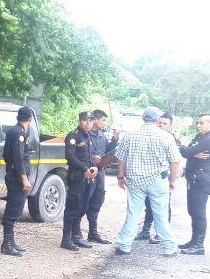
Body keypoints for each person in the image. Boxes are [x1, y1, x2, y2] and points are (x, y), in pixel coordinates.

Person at [113, 106, 182, 256]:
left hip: (135, 181)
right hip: (158, 181)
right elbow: (175, 162)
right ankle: (169, 248)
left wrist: (120, 176)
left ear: (143, 118)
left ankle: (124, 246)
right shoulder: (165, 136)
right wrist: (173, 180)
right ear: (158, 120)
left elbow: (121, 159)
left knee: (133, 214)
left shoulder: (130, 135)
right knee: (160, 216)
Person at [178, 113, 210, 255]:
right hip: (193, 180)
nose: (198, 125)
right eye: (197, 123)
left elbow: (186, 151)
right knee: (193, 211)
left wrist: (189, 152)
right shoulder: (200, 137)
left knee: (199, 213)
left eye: (202, 123)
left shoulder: (209, 140)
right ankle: (194, 241)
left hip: (201, 181)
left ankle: (199, 245)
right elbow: (186, 151)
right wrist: (190, 153)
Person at [135, 112, 179, 243]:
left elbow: (175, 162)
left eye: (165, 124)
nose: (161, 125)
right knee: (148, 205)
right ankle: (145, 230)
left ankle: (161, 234)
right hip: (146, 177)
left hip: (162, 178)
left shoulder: (169, 139)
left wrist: (172, 179)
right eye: (160, 122)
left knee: (163, 207)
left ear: (170, 126)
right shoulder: (149, 135)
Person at [61, 111, 99, 251]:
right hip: (77, 176)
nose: (88, 123)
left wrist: (93, 167)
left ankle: (76, 236)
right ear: (79, 121)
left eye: (90, 120)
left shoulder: (87, 136)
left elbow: (89, 156)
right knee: (72, 207)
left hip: (87, 176)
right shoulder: (73, 135)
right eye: (85, 120)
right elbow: (69, 156)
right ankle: (66, 239)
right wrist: (84, 168)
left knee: (82, 207)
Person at [0, 106, 34, 256]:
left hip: (14, 174)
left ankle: (11, 241)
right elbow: (19, 158)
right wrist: (24, 178)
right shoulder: (19, 133)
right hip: (17, 177)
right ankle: (6, 244)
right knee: (13, 210)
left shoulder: (14, 131)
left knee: (15, 209)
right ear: (30, 119)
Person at [85, 109, 118, 244]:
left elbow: (107, 151)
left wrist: (115, 139)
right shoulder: (85, 135)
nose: (104, 123)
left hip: (101, 172)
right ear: (95, 120)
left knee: (97, 201)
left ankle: (93, 233)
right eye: (103, 120)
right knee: (83, 202)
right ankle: (74, 234)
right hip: (88, 172)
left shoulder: (101, 135)